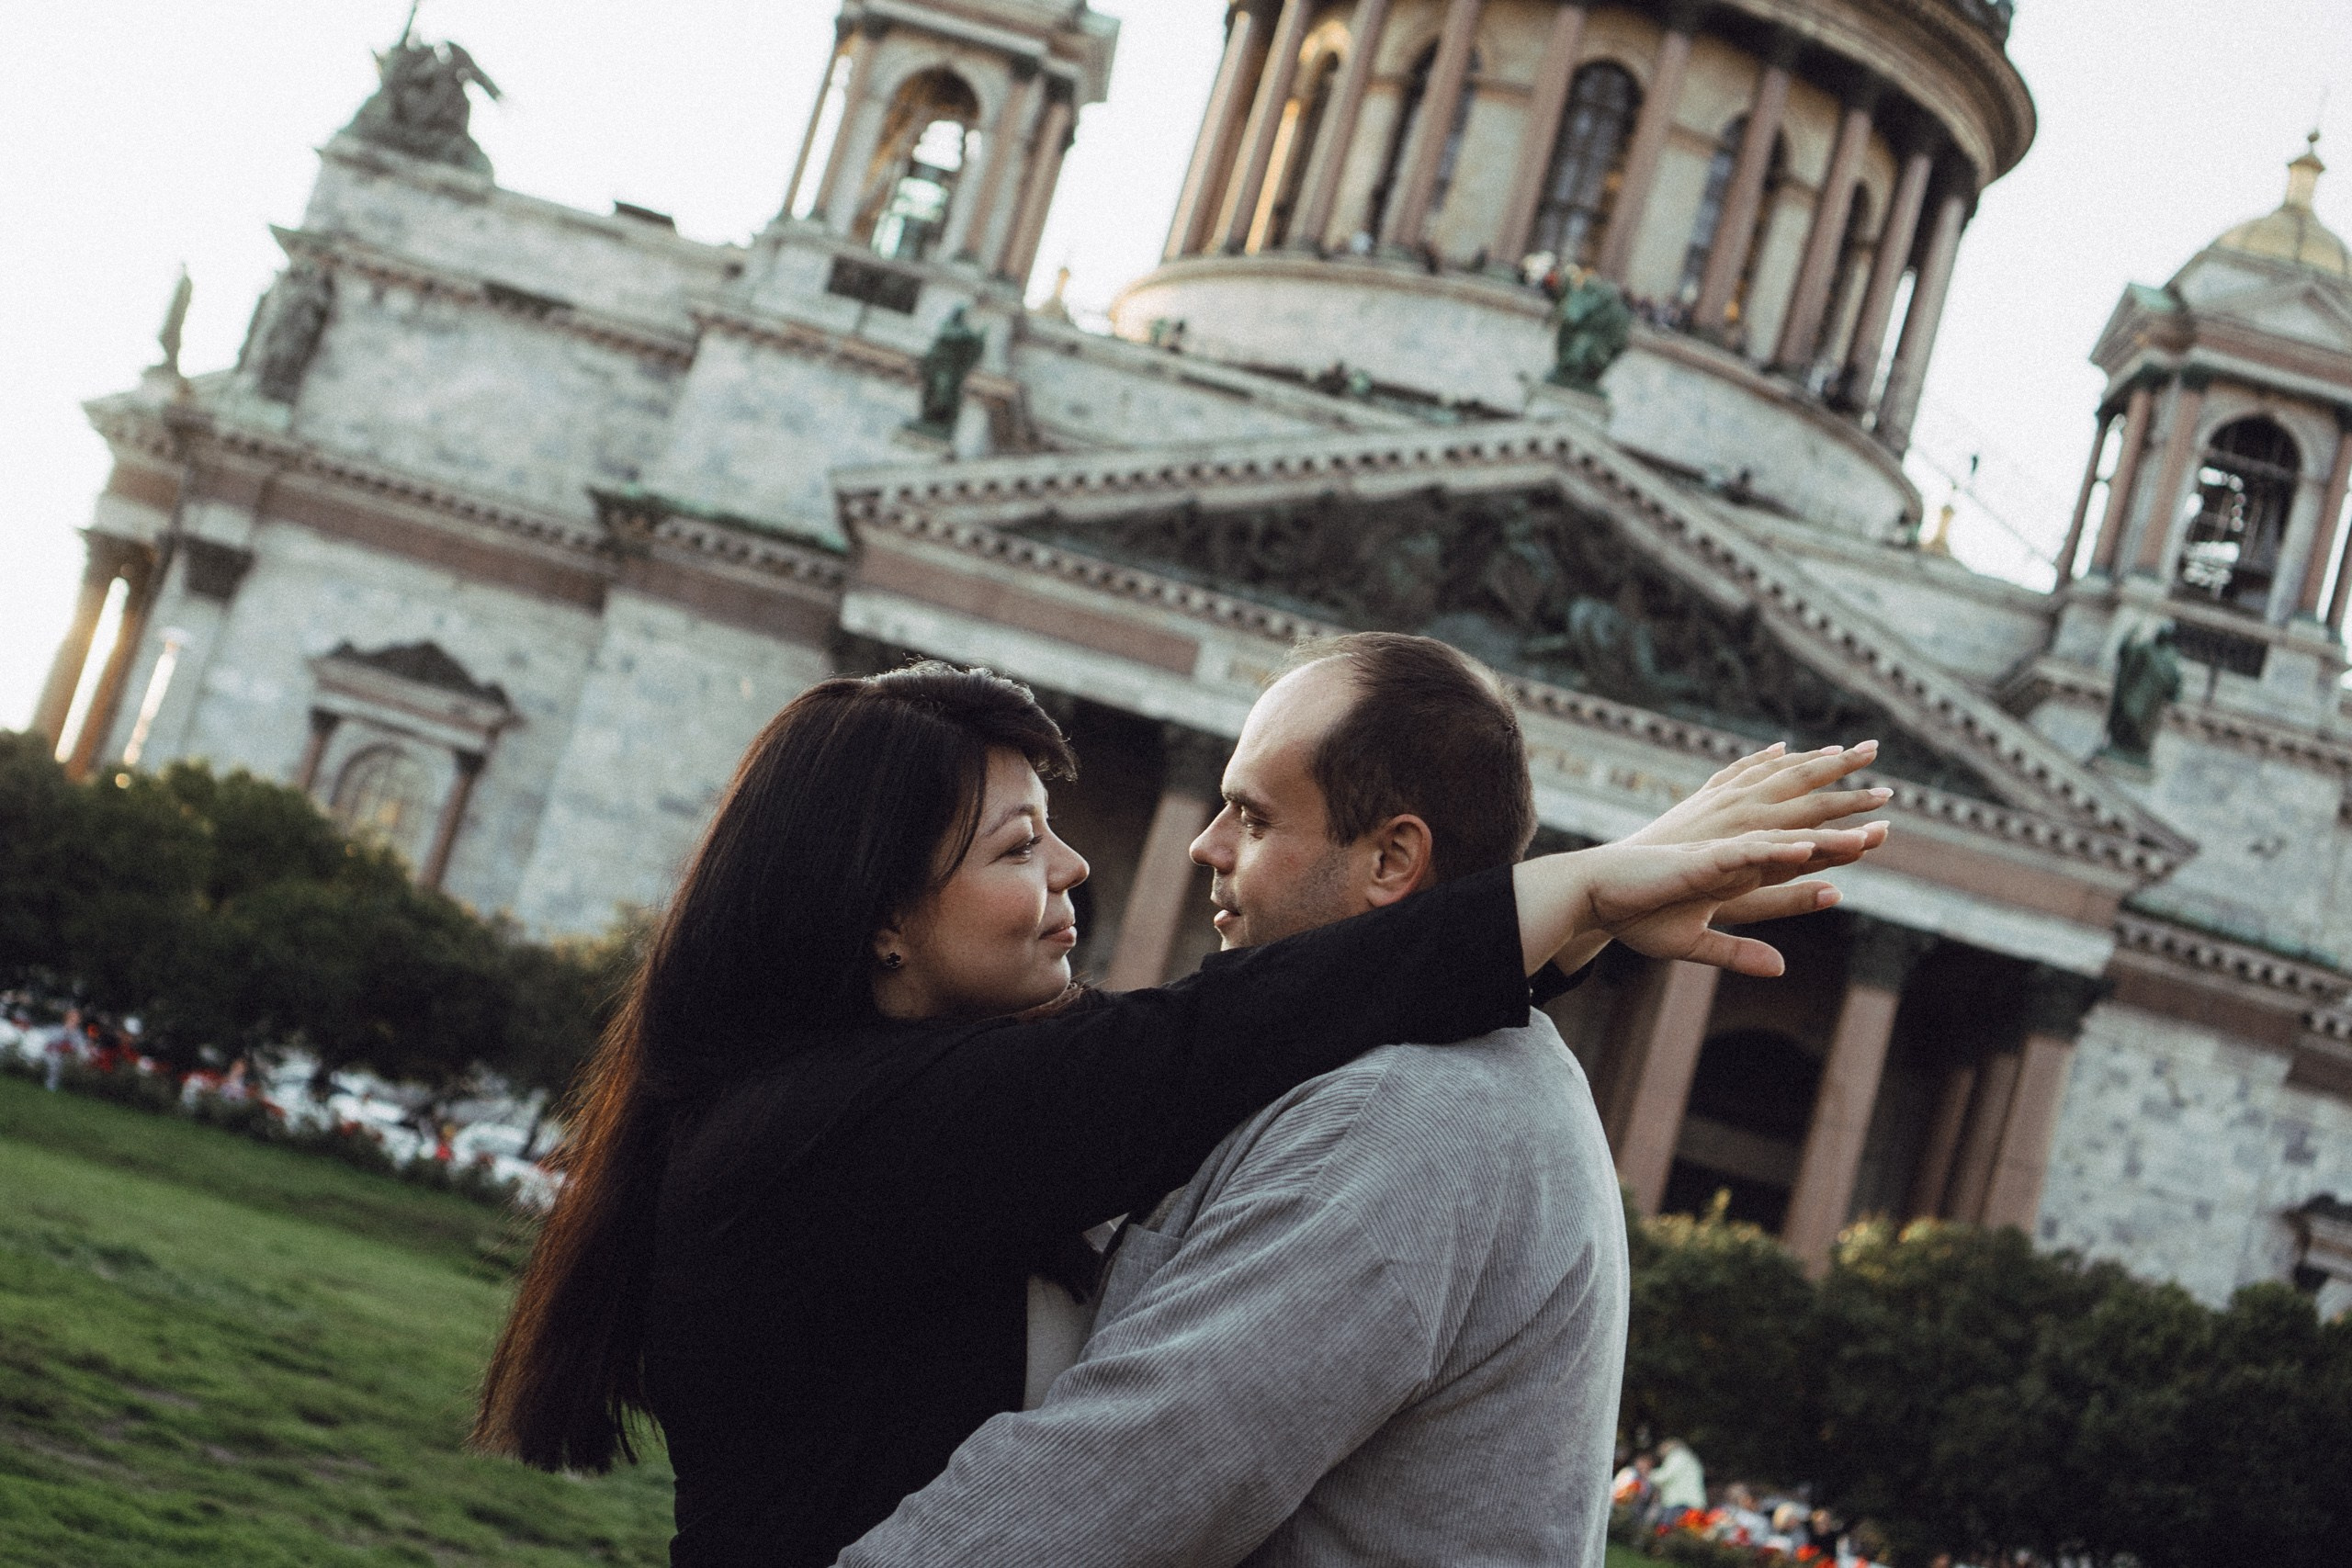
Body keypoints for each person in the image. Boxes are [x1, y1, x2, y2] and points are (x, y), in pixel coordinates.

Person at [472, 660, 1882, 1568]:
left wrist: (1573, 923)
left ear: (1395, 858)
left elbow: (1230, 1050)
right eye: (1022, 845)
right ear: (880, 920)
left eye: (1250, 817)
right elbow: (1205, 1043)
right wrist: (1585, 893)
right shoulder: (847, 1123)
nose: (1113, 862)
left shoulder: (1414, 1111)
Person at [1653, 1437, 1708, 1521]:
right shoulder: (1689, 1458)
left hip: (1680, 1502)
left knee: (1669, 1530)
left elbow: (1666, 1475)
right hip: (1692, 1502)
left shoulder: (1677, 1456)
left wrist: (1649, 1475)